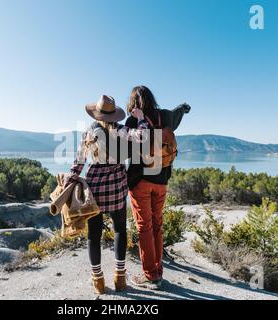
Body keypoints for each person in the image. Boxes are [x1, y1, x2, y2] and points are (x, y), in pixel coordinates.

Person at [65, 94, 149, 294]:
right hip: (117, 185)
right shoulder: (120, 130)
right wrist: (142, 119)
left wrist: (72, 177)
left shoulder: (89, 132)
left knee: (94, 236)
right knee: (120, 229)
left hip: (95, 187)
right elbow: (144, 137)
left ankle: (98, 282)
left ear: (98, 114)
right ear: (114, 115)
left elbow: (79, 160)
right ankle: (120, 278)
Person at [125, 85, 190, 290]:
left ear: (133, 102)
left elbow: (125, 150)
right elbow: (178, 113)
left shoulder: (133, 120)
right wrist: (184, 107)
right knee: (157, 226)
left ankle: (150, 276)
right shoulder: (166, 116)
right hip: (162, 181)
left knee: (144, 228)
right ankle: (158, 272)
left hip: (140, 182)